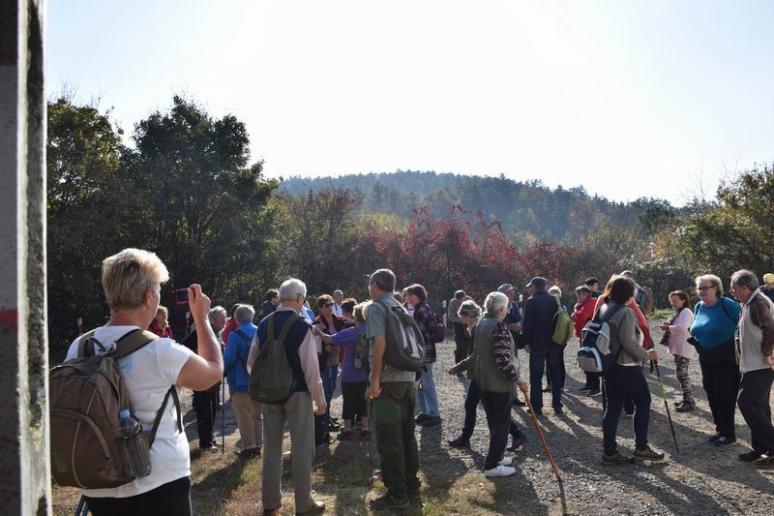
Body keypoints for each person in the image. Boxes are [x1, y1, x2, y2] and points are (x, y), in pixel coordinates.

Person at [68, 248, 222, 516]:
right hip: (157, 482)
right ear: (149, 297)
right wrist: (202, 319)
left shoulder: (80, 347)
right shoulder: (160, 352)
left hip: (98, 480)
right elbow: (212, 372)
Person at [246, 278, 327, 516]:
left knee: (271, 448)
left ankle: (270, 503)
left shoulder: (264, 323)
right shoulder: (303, 326)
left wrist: (268, 383)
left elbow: (252, 363)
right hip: (298, 394)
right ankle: (304, 504)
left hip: (269, 395)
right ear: (300, 298)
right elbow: (312, 369)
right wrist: (320, 400)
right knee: (302, 449)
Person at [366, 269, 421, 511]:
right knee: (407, 434)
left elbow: (380, 343)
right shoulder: (399, 306)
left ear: (375, 284)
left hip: (388, 381)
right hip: (408, 379)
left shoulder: (377, 307)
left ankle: (397, 495)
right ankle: (411, 484)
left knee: (389, 439)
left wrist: (375, 379)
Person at [447, 299, 528, 452]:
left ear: (469, 315)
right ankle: (468, 437)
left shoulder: (481, 326)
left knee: (493, 413)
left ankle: (510, 439)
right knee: (478, 408)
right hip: (479, 375)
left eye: (463, 318)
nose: (463, 322)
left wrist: (458, 367)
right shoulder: (481, 325)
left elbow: (477, 356)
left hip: (484, 376)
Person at [600, 275, 664, 465]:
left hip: (610, 366)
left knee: (612, 409)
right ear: (629, 292)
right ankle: (641, 448)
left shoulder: (605, 307)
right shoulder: (626, 312)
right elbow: (628, 342)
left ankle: (609, 452)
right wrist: (647, 355)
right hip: (627, 366)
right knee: (643, 401)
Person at [472, 291, 529, 477]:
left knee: (495, 422)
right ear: (502, 308)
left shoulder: (481, 322)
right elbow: (503, 360)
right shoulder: (498, 325)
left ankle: (496, 457)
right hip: (498, 384)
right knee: (500, 425)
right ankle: (491, 465)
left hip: (484, 381)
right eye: (507, 307)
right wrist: (518, 380)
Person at [689, 274, 742, 446]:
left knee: (725, 395)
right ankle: (720, 429)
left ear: (716, 288)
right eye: (699, 288)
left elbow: (745, 324)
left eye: (706, 287)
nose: (702, 291)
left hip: (727, 358)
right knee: (711, 393)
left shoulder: (727, 304)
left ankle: (729, 434)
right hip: (706, 357)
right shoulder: (698, 306)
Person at [729, 270, 774, 466]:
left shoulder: (757, 303)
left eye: (734, 287)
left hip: (761, 365)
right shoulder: (748, 303)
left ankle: (771, 446)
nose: (731, 291)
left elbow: (771, 328)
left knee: (746, 402)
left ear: (745, 288)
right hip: (753, 364)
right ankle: (762, 448)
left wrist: (768, 353)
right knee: (760, 406)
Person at [593, 277, 654, 415]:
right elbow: (635, 334)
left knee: (611, 405)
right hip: (625, 359)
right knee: (642, 399)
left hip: (606, 355)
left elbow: (595, 325)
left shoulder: (603, 305)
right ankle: (632, 415)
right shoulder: (628, 309)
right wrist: (646, 354)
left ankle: (611, 417)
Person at [318, 303, 370, 440]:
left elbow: (329, 339)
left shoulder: (349, 333)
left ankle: (347, 429)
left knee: (349, 401)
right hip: (366, 372)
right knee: (364, 401)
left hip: (350, 373)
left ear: (354, 315)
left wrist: (318, 331)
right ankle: (365, 428)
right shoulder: (371, 330)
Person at [182, 305, 227, 451]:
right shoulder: (200, 333)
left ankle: (210, 439)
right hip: (202, 377)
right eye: (222, 318)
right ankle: (205, 443)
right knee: (204, 410)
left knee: (213, 408)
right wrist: (198, 359)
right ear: (213, 320)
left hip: (213, 378)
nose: (225, 321)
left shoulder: (216, 333)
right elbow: (184, 347)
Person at [521, 277, 564, 415]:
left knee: (536, 376)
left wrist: (525, 342)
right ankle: (557, 405)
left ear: (534, 286)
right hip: (554, 343)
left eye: (530, 287)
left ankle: (537, 406)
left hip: (537, 344)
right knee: (555, 374)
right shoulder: (554, 299)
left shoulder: (532, 301)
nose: (530, 289)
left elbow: (527, 323)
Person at [224, 304, 262, 458]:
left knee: (244, 414)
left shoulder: (235, 335)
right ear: (252, 316)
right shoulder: (261, 331)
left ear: (236, 319)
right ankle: (259, 443)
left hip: (240, 381)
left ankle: (249, 446)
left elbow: (229, 359)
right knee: (257, 413)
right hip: (259, 380)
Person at [406, 284, 442, 427]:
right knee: (421, 383)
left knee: (427, 384)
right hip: (425, 351)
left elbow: (417, 334)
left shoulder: (421, 310)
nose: (409, 298)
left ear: (418, 295)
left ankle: (434, 413)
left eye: (411, 295)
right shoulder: (423, 308)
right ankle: (426, 412)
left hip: (424, 352)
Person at [314, 294, 347, 440]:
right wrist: (328, 346)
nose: (330, 308)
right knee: (326, 388)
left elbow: (345, 333)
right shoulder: (317, 321)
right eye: (327, 305)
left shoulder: (338, 320)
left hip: (336, 357)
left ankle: (328, 416)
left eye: (332, 304)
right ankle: (325, 418)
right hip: (325, 359)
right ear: (321, 307)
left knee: (333, 386)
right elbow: (317, 340)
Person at [659, 290, 696, 412]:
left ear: (683, 300)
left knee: (682, 374)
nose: (672, 303)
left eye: (675, 300)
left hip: (684, 348)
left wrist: (667, 327)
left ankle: (689, 400)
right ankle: (687, 398)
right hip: (680, 348)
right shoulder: (679, 312)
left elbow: (682, 327)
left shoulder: (686, 312)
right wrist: (668, 324)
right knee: (681, 374)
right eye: (671, 301)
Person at [498, 283, 526, 406]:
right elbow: (496, 322)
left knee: (514, 366)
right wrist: (509, 326)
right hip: (501, 341)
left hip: (513, 340)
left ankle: (513, 396)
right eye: (509, 292)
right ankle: (503, 395)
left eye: (512, 292)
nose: (511, 294)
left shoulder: (513, 304)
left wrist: (519, 324)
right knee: (503, 367)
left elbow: (520, 318)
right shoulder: (497, 306)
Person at [573, 285, 598, 394]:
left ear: (586, 294)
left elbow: (582, 316)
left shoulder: (591, 303)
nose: (578, 296)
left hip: (590, 336)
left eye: (579, 294)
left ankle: (595, 386)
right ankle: (589, 383)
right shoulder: (582, 304)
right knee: (584, 360)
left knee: (590, 360)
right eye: (577, 294)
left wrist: (575, 312)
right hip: (583, 336)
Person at [448, 290, 470, 364]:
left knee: (469, 345)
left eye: (462, 300)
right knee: (460, 346)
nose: (460, 302)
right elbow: (450, 317)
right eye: (458, 300)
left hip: (469, 324)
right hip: (458, 325)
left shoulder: (469, 300)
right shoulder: (452, 303)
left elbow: (476, 312)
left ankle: (469, 365)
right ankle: (458, 365)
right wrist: (461, 320)